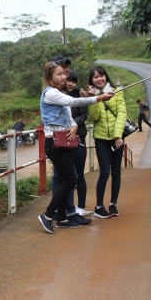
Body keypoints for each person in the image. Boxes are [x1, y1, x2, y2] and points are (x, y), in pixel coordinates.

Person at [37, 60, 113, 233]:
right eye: (59, 74)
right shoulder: (50, 94)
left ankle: (63, 217)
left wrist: (73, 125)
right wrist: (99, 98)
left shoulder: (58, 92)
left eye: (64, 73)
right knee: (71, 180)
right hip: (54, 142)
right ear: (50, 76)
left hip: (66, 140)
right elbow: (73, 103)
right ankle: (48, 215)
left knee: (67, 180)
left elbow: (68, 113)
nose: (64, 77)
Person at [88, 66, 127, 219]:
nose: (99, 79)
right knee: (104, 172)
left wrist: (118, 136)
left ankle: (113, 204)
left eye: (101, 76)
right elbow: (95, 117)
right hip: (101, 138)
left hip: (116, 138)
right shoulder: (91, 96)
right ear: (91, 80)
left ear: (106, 76)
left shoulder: (117, 91)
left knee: (116, 171)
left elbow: (122, 113)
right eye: (95, 77)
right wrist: (95, 99)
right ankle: (99, 206)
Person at [66, 70, 91, 219]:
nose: (70, 83)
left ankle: (81, 206)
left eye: (73, 81)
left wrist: (75, 125)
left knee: (79, 174)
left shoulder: (79, 95)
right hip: (64, 139)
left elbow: (84, 114)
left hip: (79, 137)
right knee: (66, 175)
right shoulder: (59, 95)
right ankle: (67, 207)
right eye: (68, 80)